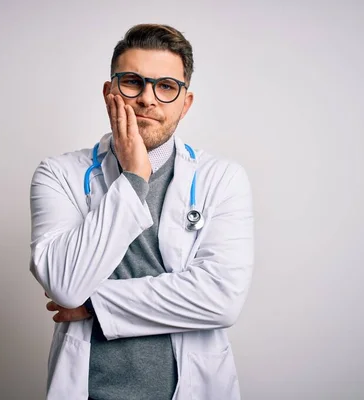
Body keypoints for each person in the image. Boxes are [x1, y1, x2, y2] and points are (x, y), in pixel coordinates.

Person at [29, 23, 254, 400]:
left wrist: (95, 303)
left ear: (186, 102)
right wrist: (133, 177)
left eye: (166, 87)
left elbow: (220, 299)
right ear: (109, 91)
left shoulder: (222, 178)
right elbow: (66, 286)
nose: (148, 98)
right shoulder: (59, 174)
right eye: (132, 81)